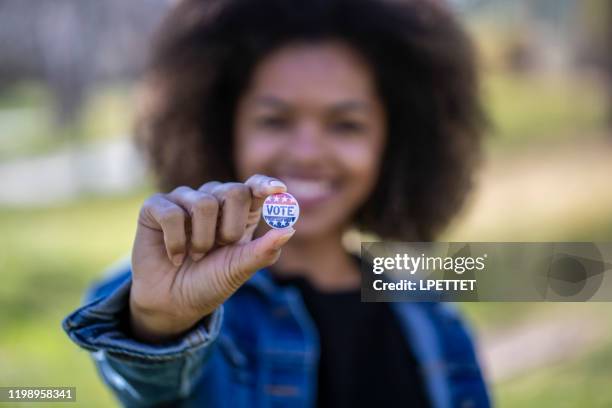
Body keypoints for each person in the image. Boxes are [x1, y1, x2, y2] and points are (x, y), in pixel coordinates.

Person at [63, 0, 490, 406]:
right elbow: (154, 387)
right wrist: (160, 324)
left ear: (392, 142)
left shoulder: (430, 311)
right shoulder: (168, 290)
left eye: (346, 125)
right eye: (275, 120)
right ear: (221, 128)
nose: (306, 152)